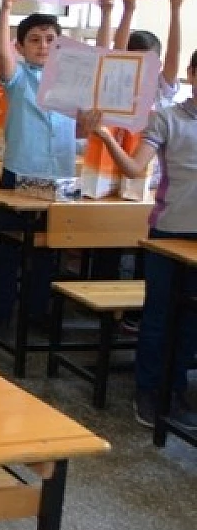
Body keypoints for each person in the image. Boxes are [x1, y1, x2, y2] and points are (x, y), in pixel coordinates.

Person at [85, 59, 197, 430]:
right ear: (192, 75)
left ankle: (176, 389)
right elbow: (135, 169)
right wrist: (105, 136)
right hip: (170, 232)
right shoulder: (168, 118)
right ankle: (147, 391)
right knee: (160, 315)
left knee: (191, 320)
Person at [0, 0, 86, 329]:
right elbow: (2, 53)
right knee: (8, 249)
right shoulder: (18, 78)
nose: (43, 46)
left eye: (50, 40)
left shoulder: (71, 81)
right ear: (21, 46)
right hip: (21, 173)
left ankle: (37, 312)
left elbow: (102, 58)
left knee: (49, 250)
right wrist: (5, 7)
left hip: (59, 177)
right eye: (34, 40)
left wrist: (107, 13)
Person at [98, 0, 187, 108]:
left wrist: (175, 9)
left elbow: (173, 57)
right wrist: (128, 10)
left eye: (148, 63)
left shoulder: (160, 88)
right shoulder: (117, 84)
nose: (142, 69)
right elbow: (117, 53)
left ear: (158, 65)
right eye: (136, 62)